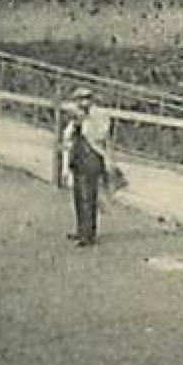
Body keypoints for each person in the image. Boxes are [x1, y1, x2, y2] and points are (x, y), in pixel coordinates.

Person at [62, 87, 112, 246]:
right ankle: (80, 229)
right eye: (79, 100)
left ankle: (88, 234)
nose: (82, 103)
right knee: (78, 195)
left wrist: (85, 123)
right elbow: (68, 136)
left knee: (88, 196)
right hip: (78, 157)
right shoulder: (76, 117)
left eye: (85, 99)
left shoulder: (100, 115)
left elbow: (101, 135)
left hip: (92, 157)